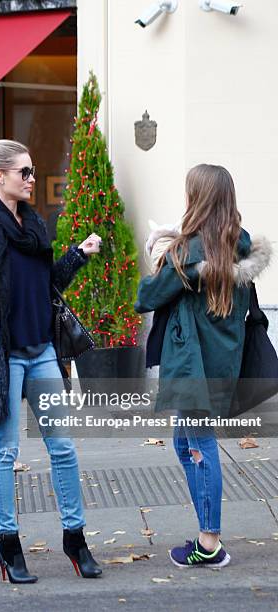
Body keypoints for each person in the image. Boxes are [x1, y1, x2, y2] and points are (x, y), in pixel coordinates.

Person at [0, 139, 103, 583]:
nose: (32, 178)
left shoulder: (35, 225)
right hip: (3, 360)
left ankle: (75, 539)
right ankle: (9, 546)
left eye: (33, 170)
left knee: (63, 448)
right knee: (4, 453)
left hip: (41, 353)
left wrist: (77, 255)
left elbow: (45, 287)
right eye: (25, 172)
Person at [134, 164, 272, 568]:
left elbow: (147, 296)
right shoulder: (239, 245)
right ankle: (207, 533)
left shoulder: (189, 252)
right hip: (222, 362)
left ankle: (209, 543)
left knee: (198, 444)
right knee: (185, 442)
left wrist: (158, 248)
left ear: (199, 199)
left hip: (193, 365)